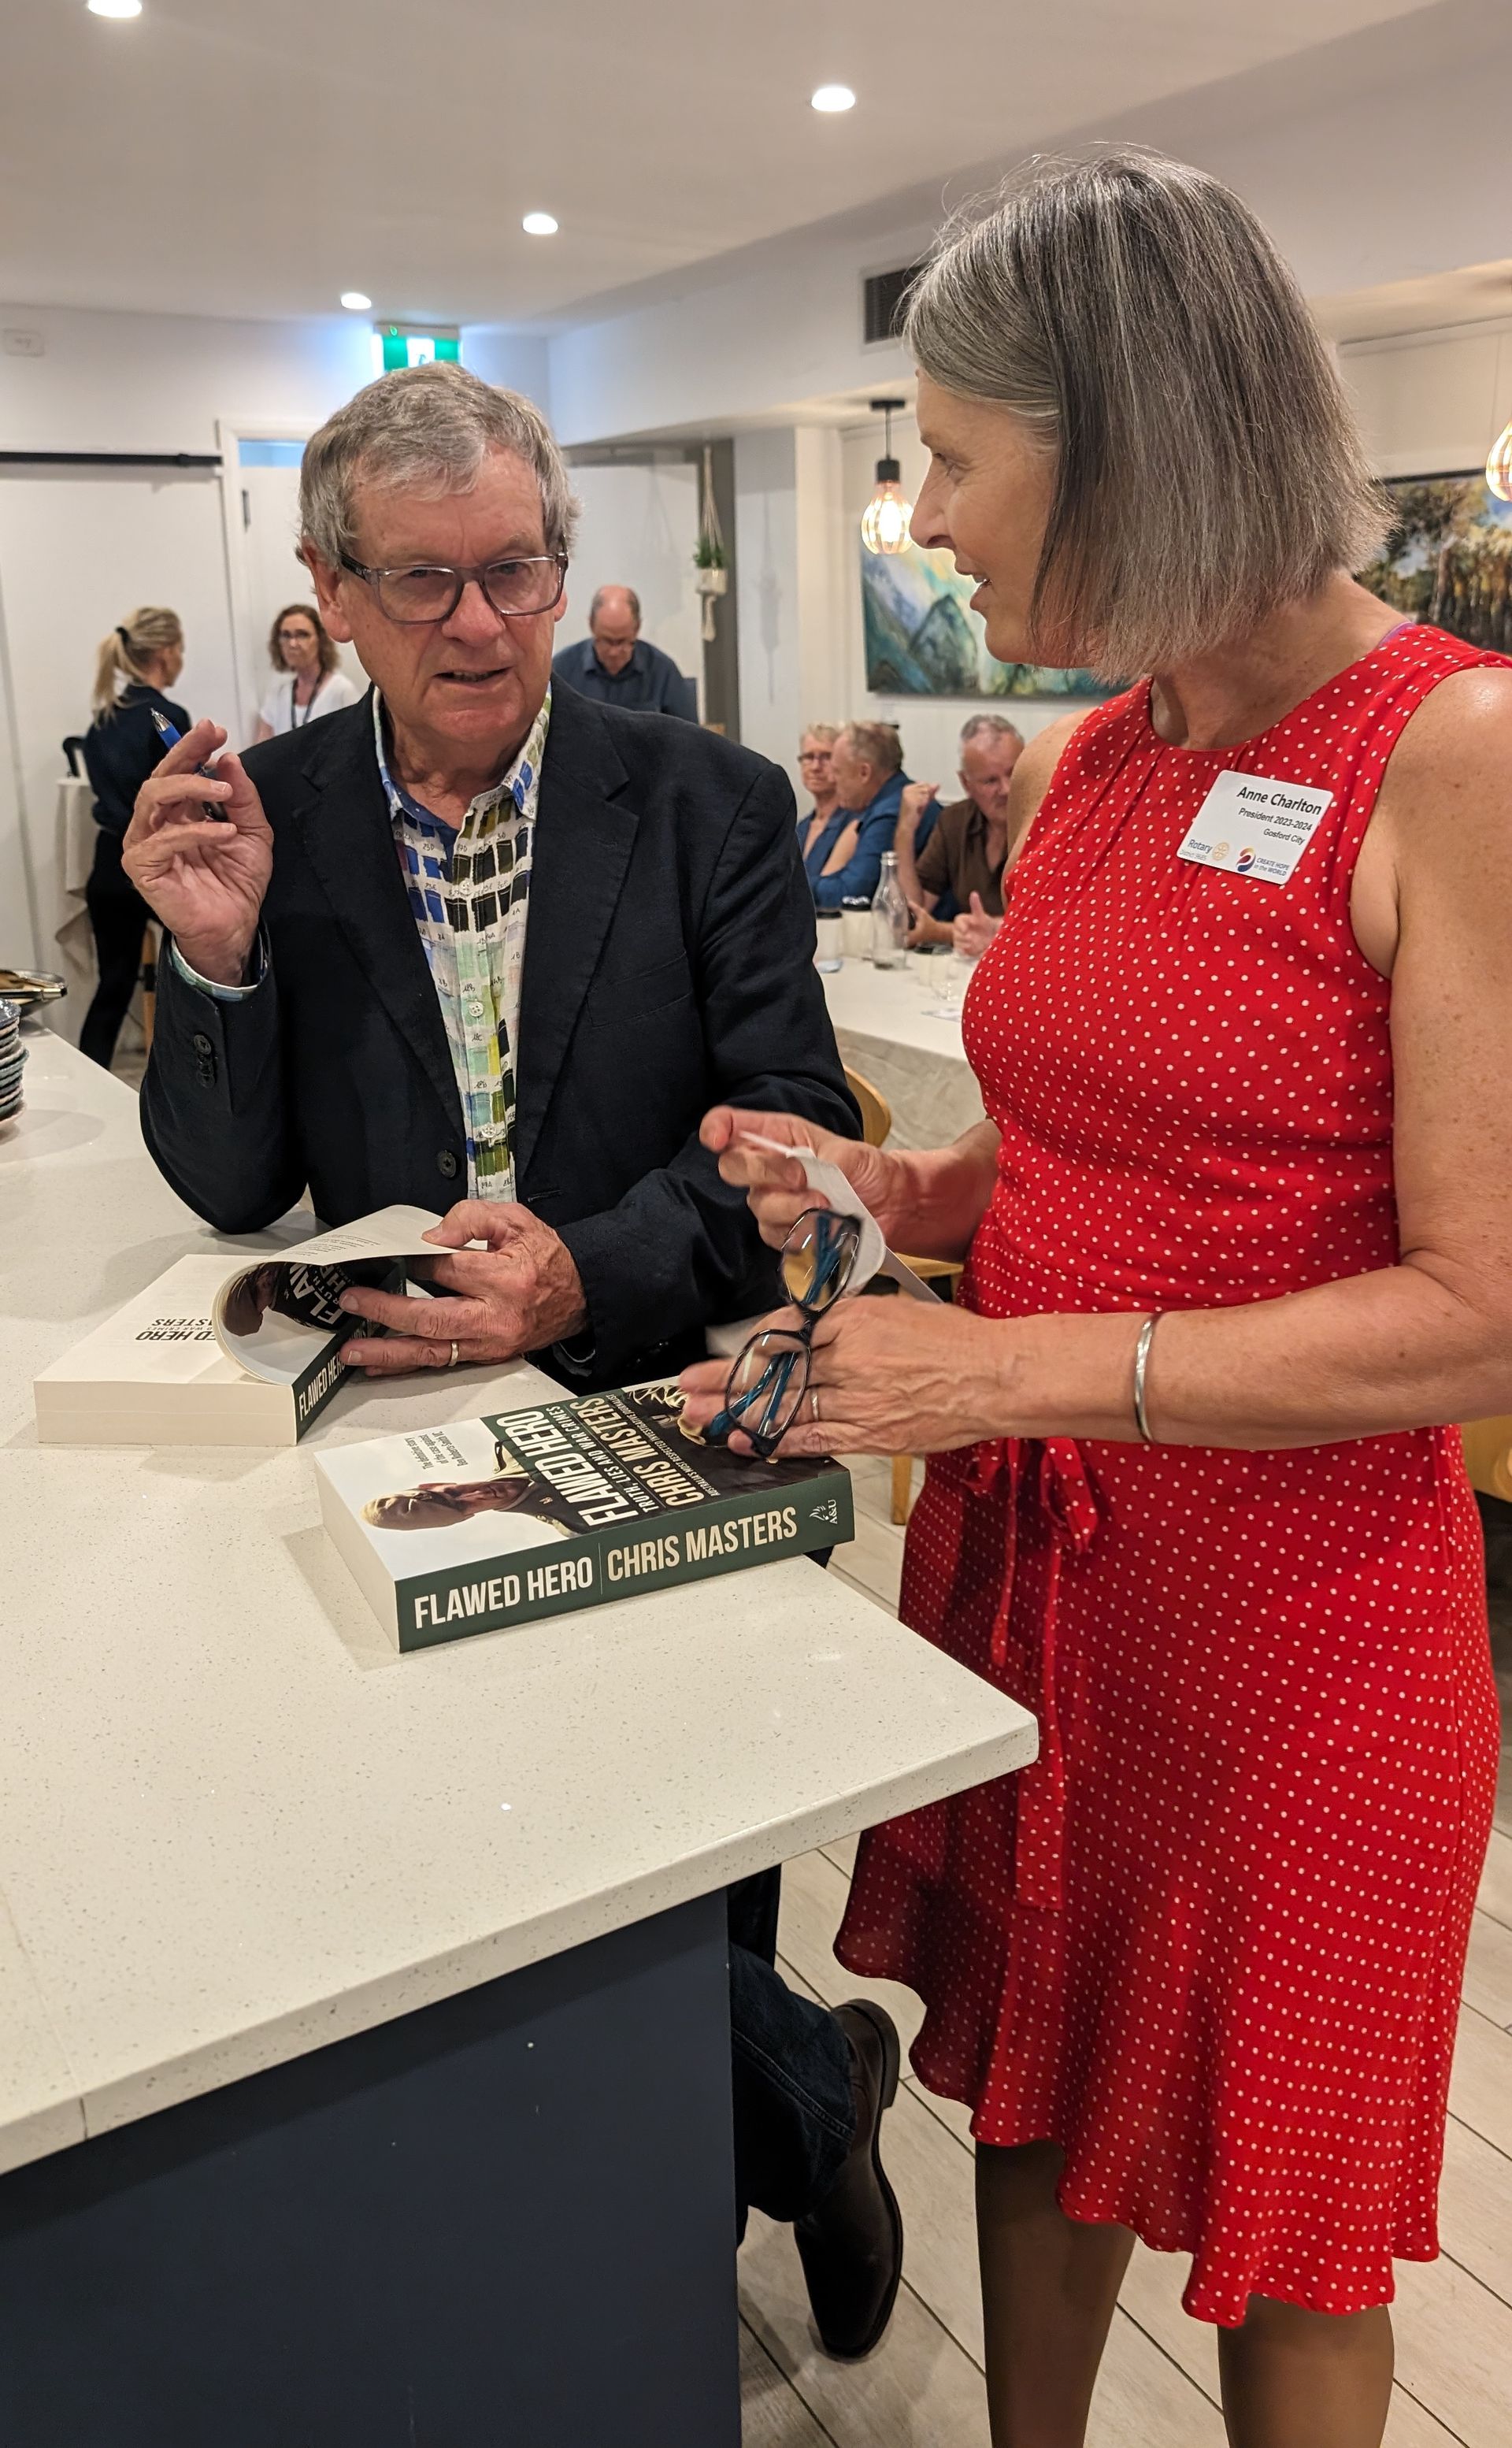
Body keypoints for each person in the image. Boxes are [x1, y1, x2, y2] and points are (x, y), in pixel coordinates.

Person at [676, 151, 1511, 2448]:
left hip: (1295, 1625)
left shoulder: (1448, 756)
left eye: (949, 453)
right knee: (1033, 2091)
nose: (922, 516)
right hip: (1051, 1568)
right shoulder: (1097, 760)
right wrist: (900, 1179)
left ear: (1125, 432)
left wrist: (1016, 1357)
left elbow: (1480, 1312)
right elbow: (1086, 1133)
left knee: (1278, 2212)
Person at [122, 359, 902, 2360]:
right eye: (428, 580)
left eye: (521, 571)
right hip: (390, 1438)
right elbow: (231, 1190)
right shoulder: (269, 814)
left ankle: (732, 2179)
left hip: (662, 1400)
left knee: (677, 1878)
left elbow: (793, 1125)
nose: (483, 623)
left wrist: (590, 1273)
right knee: (448, 1880)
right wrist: (209, 964)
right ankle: (810, 2102)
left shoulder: (707, 798)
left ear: (566, 566)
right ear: (334, 590)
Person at [78, 606, 189, 1069]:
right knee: (197, 973)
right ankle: (198, 1076)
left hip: (109, 864)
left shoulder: (101, 721)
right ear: (165, 653)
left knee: (114, 984)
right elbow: (182, 797)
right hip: (158, 859)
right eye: (180, 648)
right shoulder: (165, 717)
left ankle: (89, 1075)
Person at [895, 711, 1023, 954]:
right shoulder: (954, 822)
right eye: (990, 781)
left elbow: (1058, 925)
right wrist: (905, 831)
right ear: (966, 783)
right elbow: (911, 917)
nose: (1006, 790)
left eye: (1013, 773)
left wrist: (943, 932)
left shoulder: (1052, 823)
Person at [810, 720, 937, 911]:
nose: (831, 779)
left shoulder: (889, 814)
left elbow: (852, 893)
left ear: (864, 773)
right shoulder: (889, 802)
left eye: (837, 771)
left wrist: (792, 883)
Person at [552, 583, 699, 720]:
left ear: (637, 628)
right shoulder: (562, 670)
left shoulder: (662, 671)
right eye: (607, 641)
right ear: (591, 625)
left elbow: (689, 739)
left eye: (622, 641)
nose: (614, 652)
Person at [250, 603, 360, 741]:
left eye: (302, 635)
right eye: (286, 635)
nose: (293, 644)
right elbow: (261, 752)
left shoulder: (342, 691)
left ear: (320, 640)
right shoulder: (278, 694)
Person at [794, 720, 855, 896]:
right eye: (808, 757)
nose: (815, 767)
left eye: (826, 757)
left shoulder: (854, 822)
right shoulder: (801, 827)